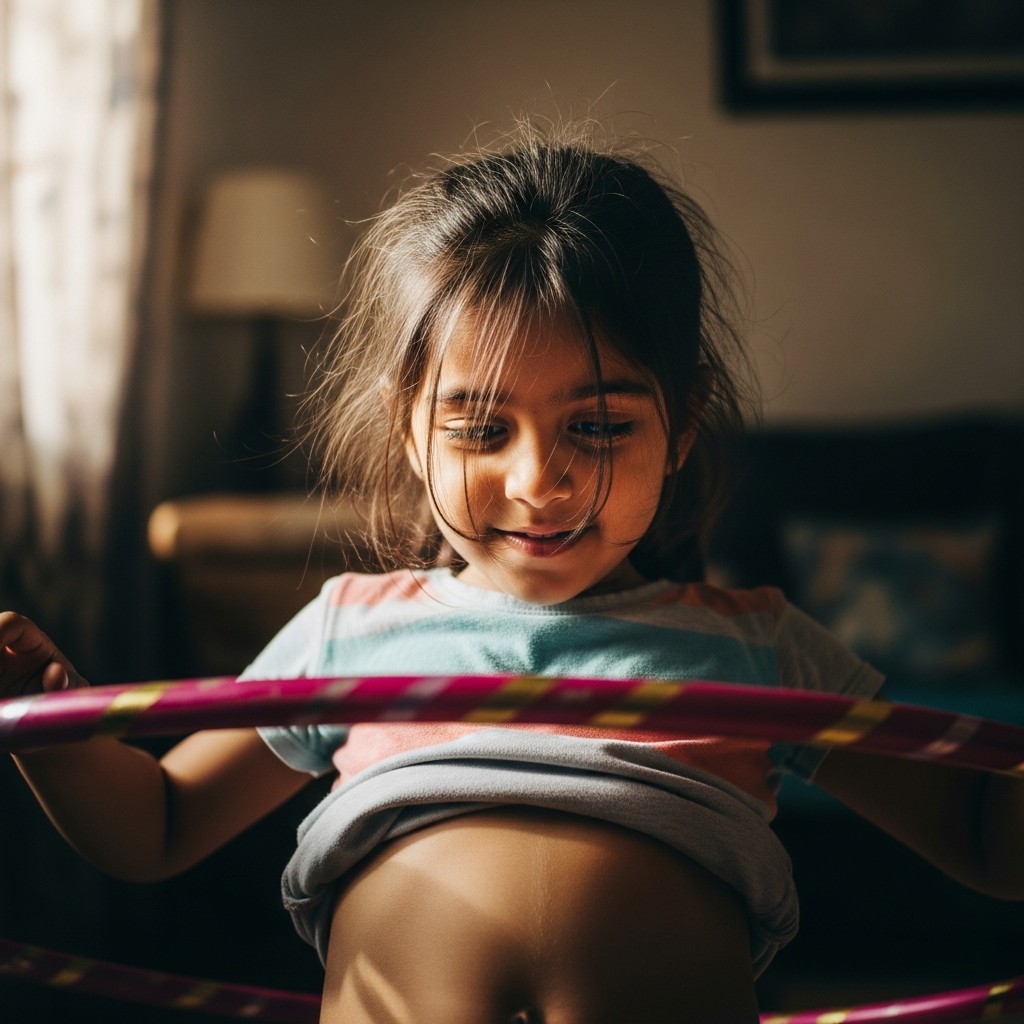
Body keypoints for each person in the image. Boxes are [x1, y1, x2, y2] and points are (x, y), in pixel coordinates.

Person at [2, 128, 1022, 1024]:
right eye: (482, 427)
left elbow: (982, 836)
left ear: (684, 422)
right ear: (409, 425)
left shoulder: (758, 645)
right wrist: (47, 727)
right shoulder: (352, 628)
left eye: (598, 425)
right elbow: (159, 825)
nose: (540, 480)